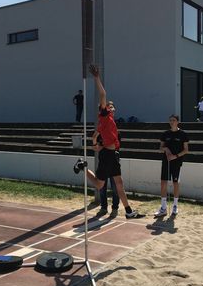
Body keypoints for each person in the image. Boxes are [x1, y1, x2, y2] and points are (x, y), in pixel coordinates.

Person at [73, 64, 140, 219]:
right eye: (109, 106)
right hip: (107, 156)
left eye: (112, 107)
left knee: (119, 184)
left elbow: (94, 139)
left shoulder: (107, 121)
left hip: (112, 154)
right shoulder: (104, 115)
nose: (111, 108)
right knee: (99, 185)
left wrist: (97, 144)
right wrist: (97, 77)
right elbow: (103, 94)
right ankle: (82, 166)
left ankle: (129, 211)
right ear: (103, 108)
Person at [154, 115, 189, 217]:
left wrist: (176, 156)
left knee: (175, 183)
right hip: (166, 161)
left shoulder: (183, 134)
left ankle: (175, 206)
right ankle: (163, 208)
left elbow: (186, 150)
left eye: (174, 120)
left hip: (177, 162)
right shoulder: (165, 134)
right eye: (170, 120)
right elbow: (161, 147)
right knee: (163, 182)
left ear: (178, 122)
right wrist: (166, 149)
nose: (172, 122)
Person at [92, 131, 120, 217]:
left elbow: (115, 146)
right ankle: (103, 208)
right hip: (102, 164)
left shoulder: (115, 133)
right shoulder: (99, 134)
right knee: (102, 188)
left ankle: (115, 208)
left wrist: (102, 145)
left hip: (113, 164)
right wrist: (94, 139)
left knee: (115, 188)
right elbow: (96, 148)